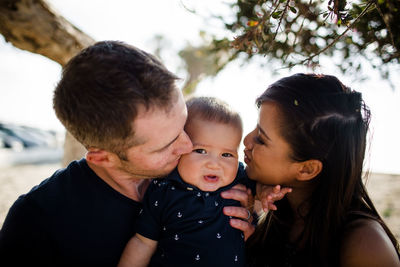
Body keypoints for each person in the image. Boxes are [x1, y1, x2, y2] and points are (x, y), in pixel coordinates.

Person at [0, 41, 253, 266]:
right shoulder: (36, 222)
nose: (187, 146)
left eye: (183, 126)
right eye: (166, 144)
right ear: (103, 157)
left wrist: (249, 229)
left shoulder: (208, 171)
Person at [244, 73, 400, 267]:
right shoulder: (267, 208)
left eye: (261, 139)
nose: (246, 141)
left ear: (307, 169)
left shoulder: (365, 246)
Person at [118, 96, 251, 267]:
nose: (214, 164)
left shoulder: (239, 178)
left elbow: (263, 188)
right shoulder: (163, 189)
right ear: (181, 147)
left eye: (227, 155)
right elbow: (143, 242)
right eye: (201, 150)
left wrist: (266, 192)